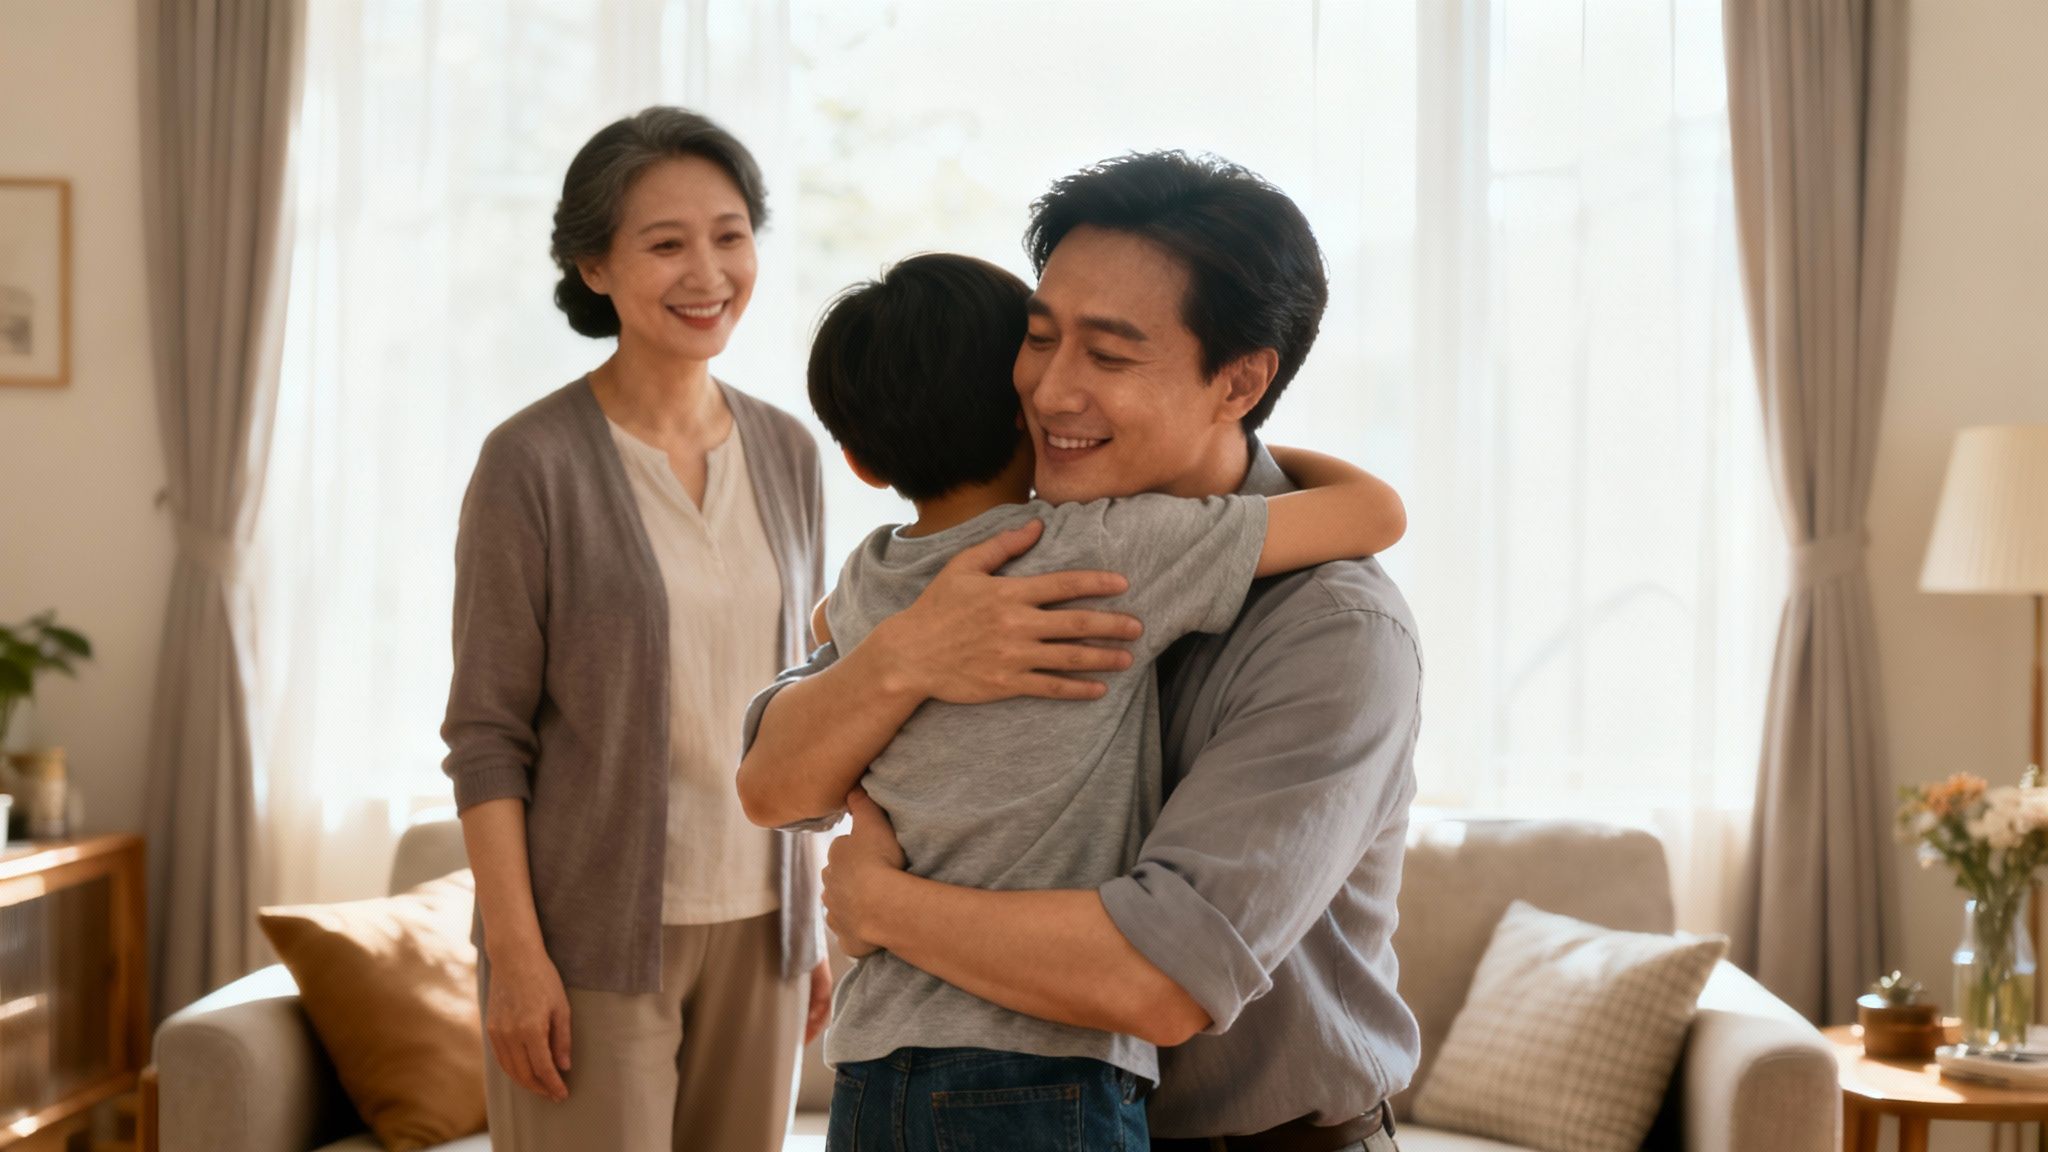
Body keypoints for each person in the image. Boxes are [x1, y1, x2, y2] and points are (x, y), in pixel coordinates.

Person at [742, 152, 1422, 1152]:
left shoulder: (1331, 629)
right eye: (1037, 338)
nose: (1048, 392)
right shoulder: (987, 564)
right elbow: (773, 784)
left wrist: (882, 905)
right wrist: (902, 660)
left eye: (1107, 356)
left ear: (1236, 380)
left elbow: (1156, 981)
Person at [440, 106, 830, 1152]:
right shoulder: (530, 464)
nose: (707, 272)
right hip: (589, 946)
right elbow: (485, 736)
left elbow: (811, 697)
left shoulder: (789, 451)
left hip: (763, 931)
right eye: (665, 244)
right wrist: (517, 960)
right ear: (594, 267)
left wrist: (815, 919)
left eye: (729, 234)